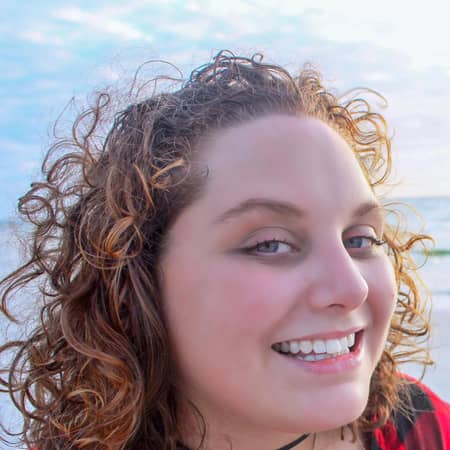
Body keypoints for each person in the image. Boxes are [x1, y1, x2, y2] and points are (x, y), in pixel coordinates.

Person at [0, 51, 448, 450]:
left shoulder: (423, 427)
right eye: (270, 244)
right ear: (133, 278)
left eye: (360, 240)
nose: (351, 287)